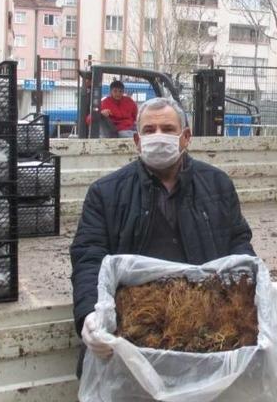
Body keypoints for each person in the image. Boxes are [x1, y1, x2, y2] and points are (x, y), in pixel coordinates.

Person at [70, 97, 256, 375]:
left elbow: (238, 245)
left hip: (201, 329)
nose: (158, 136)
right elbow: (89, 256)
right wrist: (89, 314)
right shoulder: (105, 193)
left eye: (168, 129)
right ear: (136, 140)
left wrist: (257, 294)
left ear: (186, 137)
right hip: (135, 330)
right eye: (149, 130)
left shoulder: (217, 185)